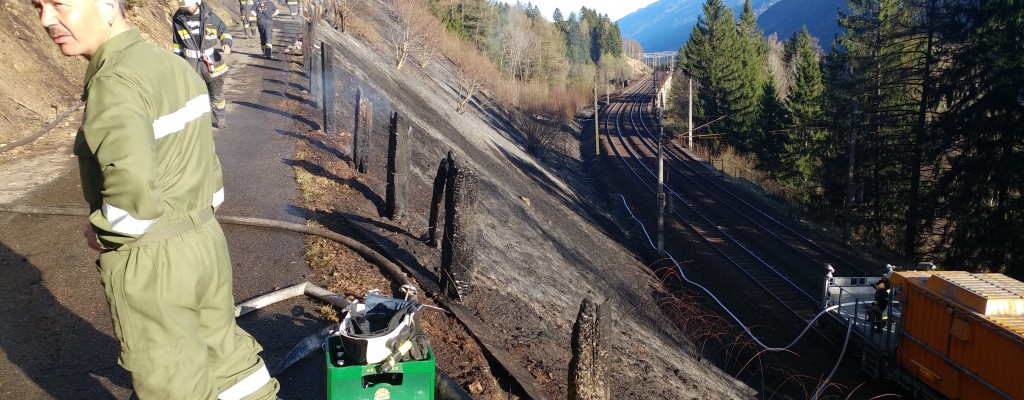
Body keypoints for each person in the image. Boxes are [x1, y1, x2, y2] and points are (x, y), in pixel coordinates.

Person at [31, 0, 279, 398]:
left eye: (59, 3)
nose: (45, 18)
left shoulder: (115, 82)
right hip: (204, 242)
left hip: (153, 264)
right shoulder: (174, 66)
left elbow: (133, 206)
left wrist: (102, 231)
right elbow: (210, 175)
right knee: (229, 362)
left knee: (173, 382)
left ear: (109, 6)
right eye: (37, 6)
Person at [173, 0, 233, 128]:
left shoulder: (209, 15)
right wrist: (177, 61)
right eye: (186, 7)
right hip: (191, 63)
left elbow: (223, 31)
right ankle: (202, 122)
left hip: (211, 61)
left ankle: (220, 117)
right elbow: (177, 43)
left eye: (190, 6)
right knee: (196, 94)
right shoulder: (178, 18)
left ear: (197, 2)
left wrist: (226, 43)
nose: (188, 9)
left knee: (216, 92)